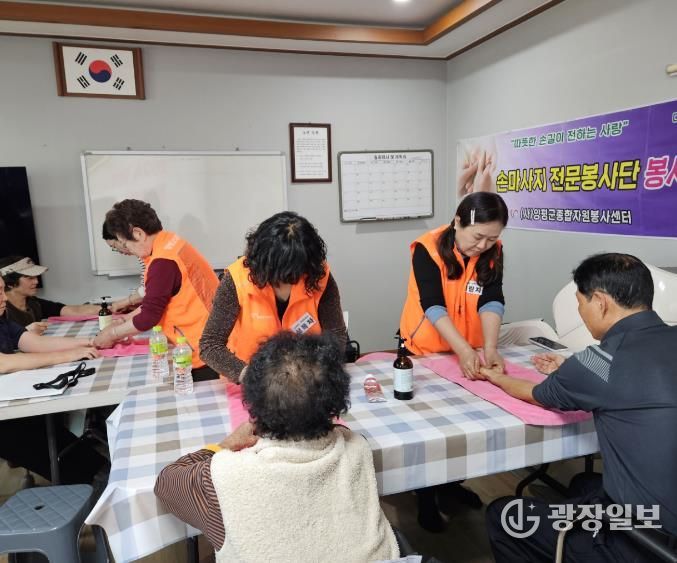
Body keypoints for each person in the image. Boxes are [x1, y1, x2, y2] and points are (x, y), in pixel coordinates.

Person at [483, 253, 677, 562]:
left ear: (600, 302)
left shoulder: (599, 362)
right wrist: (571, 368)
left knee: (506, 516)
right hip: (664, 522)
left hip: (645, 540)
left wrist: (495, 376)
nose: (580, 312)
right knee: (583, 483)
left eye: (579, 302)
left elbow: (534, 393)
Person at [155, 332, 400, 562]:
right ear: (336, 403)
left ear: (253, 406)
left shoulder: (223, 476)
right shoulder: (357, 447)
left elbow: (166, 482)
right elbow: (339, 432)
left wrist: (224, 445)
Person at [398, 191, 509, 532]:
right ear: (458, 221)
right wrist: (463, 350)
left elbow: (492, 298)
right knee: (428, 429)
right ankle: (425, 495)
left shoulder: (493, 251)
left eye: (492, 238)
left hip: (469, 348)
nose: (484, 246)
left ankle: (450, 486)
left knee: (464, 425)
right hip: (426, 350)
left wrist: (490, 347)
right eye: (478, 237)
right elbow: (433, 304)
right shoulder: (427, 249)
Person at [199, 211, 347, 383]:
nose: (286, 282)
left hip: (306, 380)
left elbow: (336, 335)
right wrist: (250, 376)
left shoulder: (318, 275)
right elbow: (210, 345)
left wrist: (316, 370)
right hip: (249, 381)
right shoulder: (236, 280)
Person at [93, 199, 219, 381]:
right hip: (214, 338)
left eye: (124, 244)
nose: (127, 250)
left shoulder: (163, 262)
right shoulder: (171, 242)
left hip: (206, 350)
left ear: (138, 233)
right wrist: (124, 320)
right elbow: (156, 301)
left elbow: (148, 317)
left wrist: (111, 335)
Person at [0, 275, 106, 483]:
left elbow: (35, 343)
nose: (4, 297)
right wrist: (68, 355)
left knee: (57, 438)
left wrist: (91, 341)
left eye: (3, 290)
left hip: (11, 404)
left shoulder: (2, 319)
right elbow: (4, 363)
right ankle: (91, 482)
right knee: (46, 447)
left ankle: (97, 474)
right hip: (5, 421)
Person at [0, 255, 104, 334]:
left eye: (36, 277)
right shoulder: (2, 310)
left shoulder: (34, 303)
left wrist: (106, 309)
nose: (36, 281)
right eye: (30, 278)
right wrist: (24, 332)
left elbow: (69, 310)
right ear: (10, 284)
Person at [101, 223, 145, 313]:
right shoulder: (141, 255)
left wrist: (126, 302)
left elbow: (149, 289)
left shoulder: (148, 253)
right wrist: (133, 303)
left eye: (114, 246)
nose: (119, 251)